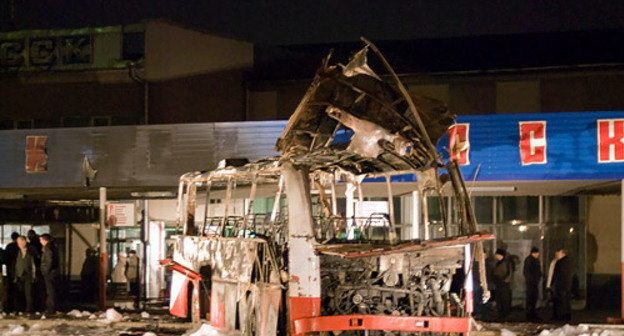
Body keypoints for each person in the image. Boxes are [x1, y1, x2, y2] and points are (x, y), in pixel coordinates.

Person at [14, 236, 35, 313]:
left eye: (20, 242)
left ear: (24, 242)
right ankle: (19, 308)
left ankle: (29, 309)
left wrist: (33, 276)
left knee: (28, 293)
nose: (18, 244)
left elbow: (33, 265)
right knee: (19, 292)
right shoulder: (17, 251)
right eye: (18, 243)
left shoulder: (31, 251)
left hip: (28, 274)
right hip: (19, 275)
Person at [552, 247, 574, 321]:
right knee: (565, 301)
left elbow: (561, 274)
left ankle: (562, 316)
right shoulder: (568, 261)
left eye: (558, 253)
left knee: (562, 301)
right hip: (565, 284)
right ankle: (565, 315)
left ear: (562, 253)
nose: (557, 254)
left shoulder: (561, 262)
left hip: (562, 285)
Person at [40, 234, 59, 316]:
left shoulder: (47, 249)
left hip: (49, 273)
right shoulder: (52, 247)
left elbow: (49, 261)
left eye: (41, 240)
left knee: (50, 291)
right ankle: (51, 308)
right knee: (51, 291)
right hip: (52, 273)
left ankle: (51, 309)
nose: (40, 241)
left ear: (45, 240)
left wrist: (45, 270)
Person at [493, 249, 513, 321]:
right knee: (500, 300)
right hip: (500, 284)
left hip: (504, 285)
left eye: (497, 254)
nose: (496, 256)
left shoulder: (506, 263)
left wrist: (503, 281)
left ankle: (505, 315)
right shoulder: (500, 263)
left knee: (504, 300)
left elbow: (509, 274)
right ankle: (502, 315)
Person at [523, 247, 542, 321]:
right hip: (532, 283)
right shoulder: (531, 260)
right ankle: (530, 314)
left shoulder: (531, 260)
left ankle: (531, 313)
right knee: (531, 298)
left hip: (533, 282)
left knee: (533, 298)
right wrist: (532, 280)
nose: (538, 254)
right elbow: (527, 272)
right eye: (537, 253)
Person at [5, 232, 19, 313]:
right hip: (18, 271)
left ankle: (10, 307)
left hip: (10, 270)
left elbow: (5, 259)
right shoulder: (19, 247)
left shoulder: (9, 247)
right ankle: (17, 306)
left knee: (10, 289)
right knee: (18, 289)